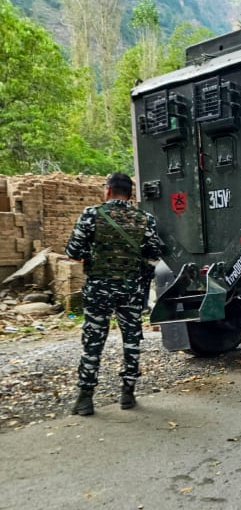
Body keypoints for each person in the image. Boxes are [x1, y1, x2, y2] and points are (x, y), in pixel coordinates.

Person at [65, 172, 162, 416]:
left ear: (107, 190)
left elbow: (73, 252)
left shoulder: (91, 215)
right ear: (130, 194)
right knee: (131, 339)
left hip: (99, 289)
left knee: (93, 342)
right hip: (131, 289)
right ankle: (128, 394)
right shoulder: (144, 219)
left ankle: (85, 398)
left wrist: (92, 253)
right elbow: (154, 251)